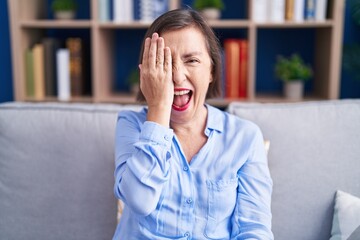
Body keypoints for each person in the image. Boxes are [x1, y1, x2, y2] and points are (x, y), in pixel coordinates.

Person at [113, 8, 273, 240]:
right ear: (148, 73)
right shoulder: (131, 125)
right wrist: (158, 108)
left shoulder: (245, 137)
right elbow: (140, 201)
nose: (177, 77)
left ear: (212, 71)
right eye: (164, 63)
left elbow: (254, 231)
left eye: (192, 60)